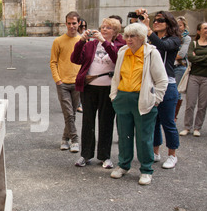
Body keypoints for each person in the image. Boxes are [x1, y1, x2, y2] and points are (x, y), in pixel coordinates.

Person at [110, 23, 168, 185]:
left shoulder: (151, 54)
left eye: (132, 36)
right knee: (124, 135)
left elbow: (162, 80)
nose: (128, 39)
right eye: (127, 36)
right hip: (123, 99)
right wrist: (114, 96)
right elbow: (116, 77)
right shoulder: (123, 52)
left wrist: (155, 100)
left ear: (142, 38)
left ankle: (146, 169)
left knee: (144, 137)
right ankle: (123, 165)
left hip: (142, 100)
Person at [71, 18, 123, 169]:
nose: (104, 29)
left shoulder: (120, 45)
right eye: (103, 27)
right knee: (88, 121)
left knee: (106, 122)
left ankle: (104, 156)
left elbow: (118, 58)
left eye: (108, 28)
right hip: (89, 88)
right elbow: (75, 59)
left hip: (108, 89)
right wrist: (81, 41)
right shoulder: (91, 45)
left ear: (115, 32)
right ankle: (85, 155)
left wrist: (105, 42)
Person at [136, 8, 181, 169]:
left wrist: (148, 30)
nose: (156, 22)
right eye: (155, 20)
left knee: (168, 122)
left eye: (160, 20)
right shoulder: (149, 39)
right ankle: (155, 152)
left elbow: (162, 45)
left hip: (167, 85)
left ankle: (172, 155)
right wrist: (140, 20)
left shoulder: (174, 40)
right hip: (150, 85)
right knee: (153, 121)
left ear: (169, 23)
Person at [50, 11, 82, 152]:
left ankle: (65, 138)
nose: (71, 26)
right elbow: (53, 62)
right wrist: (58, 80)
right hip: (63, 83)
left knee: (72, 113)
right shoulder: (58, 41)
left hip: (78, 83)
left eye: (74, 23)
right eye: (68, 23)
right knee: (68, 113)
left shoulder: (82, 40)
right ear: (65, 24)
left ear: (79, 23)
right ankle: (75, 139)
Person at [179, 22, 207, 137]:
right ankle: (187, 127)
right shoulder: (194, 43)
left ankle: (197, 128)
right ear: (199, 31)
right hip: (194, 77)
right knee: (190, 103)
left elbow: (194, 57)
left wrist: (198, 58)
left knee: (203, 105)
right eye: (205, 28)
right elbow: (190, 57)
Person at [174, 16, 191, 121]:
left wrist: (169, 53)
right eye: (176, 25)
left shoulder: (186, 38)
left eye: (180, 25)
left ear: (184, 26)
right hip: (169, 66)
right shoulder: (171, 37)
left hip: (180, 67)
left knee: (177, 91)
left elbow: (182, 54)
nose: (178, 27)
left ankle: (174, 115)